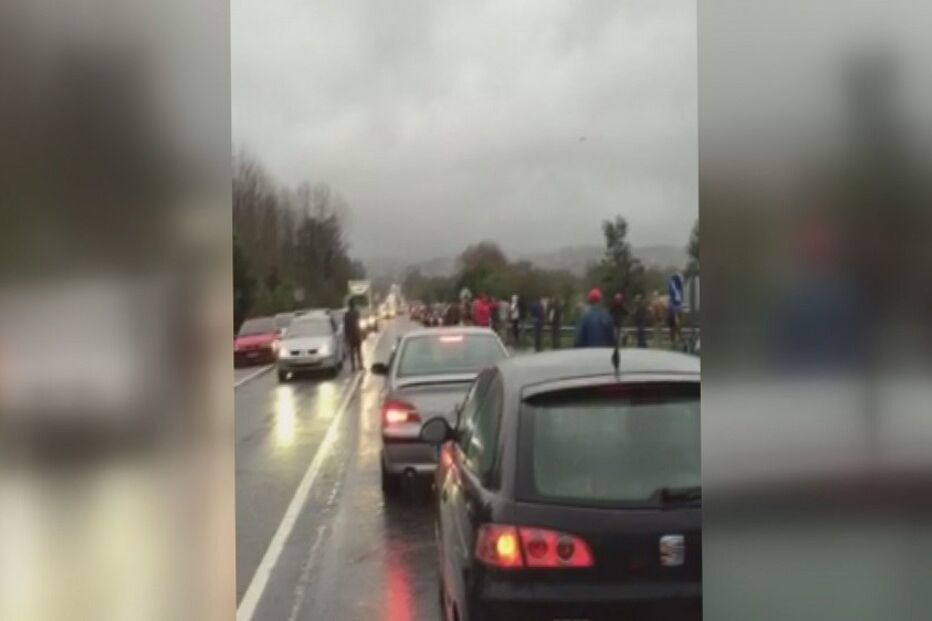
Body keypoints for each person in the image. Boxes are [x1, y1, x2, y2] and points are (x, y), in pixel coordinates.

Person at [343, 299, 364, 371]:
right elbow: (359, 323)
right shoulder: (356, 313)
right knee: (359, 351)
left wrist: (346, 337)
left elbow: (346, 326)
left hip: (351, 335)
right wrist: (361, 333)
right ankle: (360, 365)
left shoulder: (346, 314)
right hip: (356, 334)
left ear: (349, 306)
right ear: (354, 305)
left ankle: (353, 366)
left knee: (352, 352)